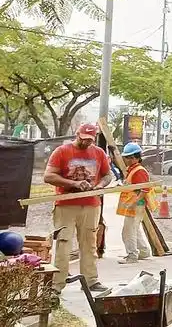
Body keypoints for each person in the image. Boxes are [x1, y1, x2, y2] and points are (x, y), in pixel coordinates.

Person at [43, 124, 111, 293]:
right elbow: (48, 176)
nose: (86, 142)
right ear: (77, 135)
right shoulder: (62, 151)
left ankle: (91, 281)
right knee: (63, 244)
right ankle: (57, 284)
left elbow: (108, 175)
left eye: (90, 140)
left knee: (89, 244)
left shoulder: (99, 153)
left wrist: (100, 185)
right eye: (83, 139)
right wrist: (73, 183)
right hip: (66, 204)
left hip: (91, 205)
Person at [116, 142, 158, 264]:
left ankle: (132, 255)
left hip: (136, 205)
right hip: (135, 204)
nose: (128, 160)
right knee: (134, 229)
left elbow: (145, 189)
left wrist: (135, 203)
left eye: (130, 157)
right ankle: (143, 251)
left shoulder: (139, 171)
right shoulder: (133, 170)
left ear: (137, 157)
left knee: (128, 231)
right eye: (127, 157)